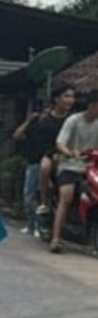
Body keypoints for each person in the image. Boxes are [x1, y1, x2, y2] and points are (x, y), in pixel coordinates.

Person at [48, 89, 98, 253]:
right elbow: (60, 143)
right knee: (66, 196)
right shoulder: (73, 120)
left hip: (92, 168)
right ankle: (56, 238)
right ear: (91, 106)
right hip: (69, 165)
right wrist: (69, 152)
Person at [36, 84, 75, 216]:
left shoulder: (74, 120)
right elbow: (42, 144)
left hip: (74, 153)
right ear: (57, 99)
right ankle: (44, 202)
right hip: (52, 154)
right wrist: (54, 154)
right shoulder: (45, 121)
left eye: (72, 97)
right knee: (45, 167)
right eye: (66, 96)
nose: (70, 100)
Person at [12, 101, 47, 237]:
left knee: (42, 197)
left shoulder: (50, 126)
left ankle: (40, 226)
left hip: (45, 163)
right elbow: (17, 135)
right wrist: (28, 121)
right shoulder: (33, 126)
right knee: (29, 196)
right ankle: (31, 224)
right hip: (32, 163)